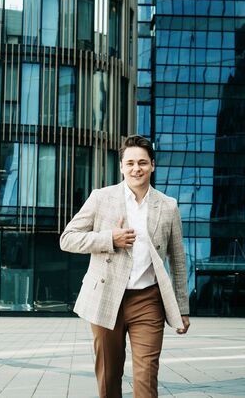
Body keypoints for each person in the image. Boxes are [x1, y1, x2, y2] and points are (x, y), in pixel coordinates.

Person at [60, 135, 190, 398]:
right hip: (106, 297)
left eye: (142, 162)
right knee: (109, 377)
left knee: (146, 377)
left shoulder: (168, 206)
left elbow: (177, 260)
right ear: (121, 166)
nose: (136, 168)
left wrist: (182, 308)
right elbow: (67, 238)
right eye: (130, 163)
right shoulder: (101, 198)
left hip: (148, 300)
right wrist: (110, 238)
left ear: (152, 165)